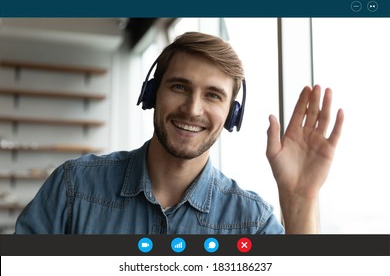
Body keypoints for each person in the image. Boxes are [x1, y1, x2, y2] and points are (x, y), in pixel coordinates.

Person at [14, 31, 344, 234]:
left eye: (213, 95)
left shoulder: (251, 221)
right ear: (152, 92)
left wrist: (301, 198)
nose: (192, 108)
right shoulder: (74, 188)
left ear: (232, 114)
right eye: (179, 86)